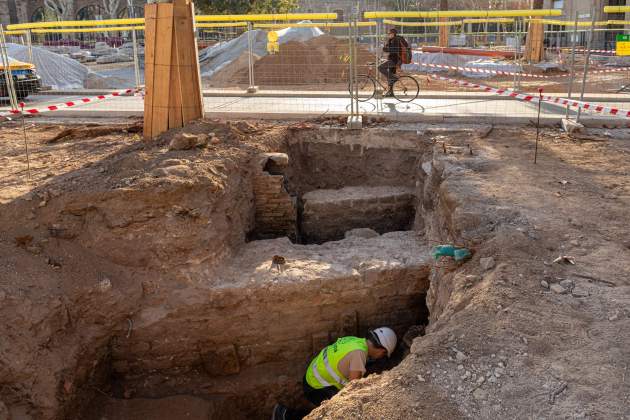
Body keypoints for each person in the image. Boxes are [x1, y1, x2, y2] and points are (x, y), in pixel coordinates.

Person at [272, 327, 397, 420]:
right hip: (317, 387)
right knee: (335, 412)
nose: (381, 358)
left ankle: (284, 412)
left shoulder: (355, 341)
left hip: (312, 376)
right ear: (382, 350)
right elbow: (354, 389)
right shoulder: (359, 354)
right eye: (383, 355)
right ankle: (285, 416)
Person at [379, 28, 409, 97]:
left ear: (393, 34)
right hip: (395, 60)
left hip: (394, 60)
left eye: (389, 34)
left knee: (380, 67)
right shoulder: (392, 40)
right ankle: (391, 93)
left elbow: (393, 50)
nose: (388, 35)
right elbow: (390, 49)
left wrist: (385, 49)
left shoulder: (395, 40)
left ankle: (394, 78)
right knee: (390, 77)